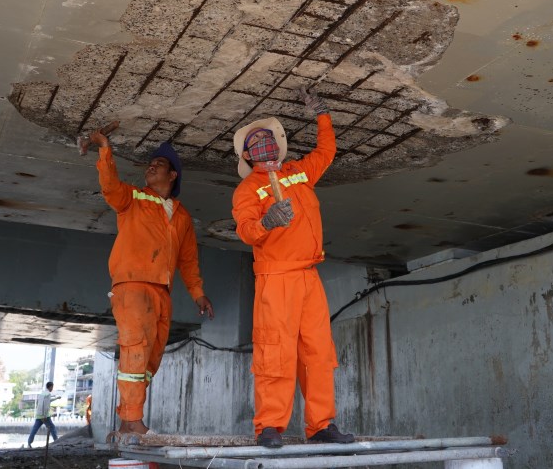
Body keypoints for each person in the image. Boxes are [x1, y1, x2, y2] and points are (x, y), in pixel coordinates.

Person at [231, 88, 355, 449]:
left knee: (318, 352)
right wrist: (267, 221)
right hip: (276, 279)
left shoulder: (299, 172)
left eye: (268, 137)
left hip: (309, 276)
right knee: (276, 352)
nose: (264, 143)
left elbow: (326, 152)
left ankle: (321, 425)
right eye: (256, 141)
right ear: (247, 154)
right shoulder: (247, 190)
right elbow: (245, 230)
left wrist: (323, 115)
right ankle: (269, 426)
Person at [90, 130, 215, 436]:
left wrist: (198, 294)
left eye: (158, 164)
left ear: (172, 175)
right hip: (132, 286)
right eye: (150, 163)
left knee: (150, 358)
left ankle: (127, 419)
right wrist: (106, 151)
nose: (151, 167)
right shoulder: (133, 197)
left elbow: (188, 260)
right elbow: (110, 188)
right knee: (135, 350)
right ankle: (133, 420)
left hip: (162, 292)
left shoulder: (182, 216)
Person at [27, 381, 58, 447]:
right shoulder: (48, 394)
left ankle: (29, 443)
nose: (52, 388)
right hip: (45, 416)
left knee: (34, 429)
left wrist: (56, 398)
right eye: (52, 387)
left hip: (39, 415)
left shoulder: (42, 393)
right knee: (52, 427)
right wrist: (44, 416)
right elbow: (46, 405)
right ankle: (57, 442)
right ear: (50, 387)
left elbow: (42, 403)